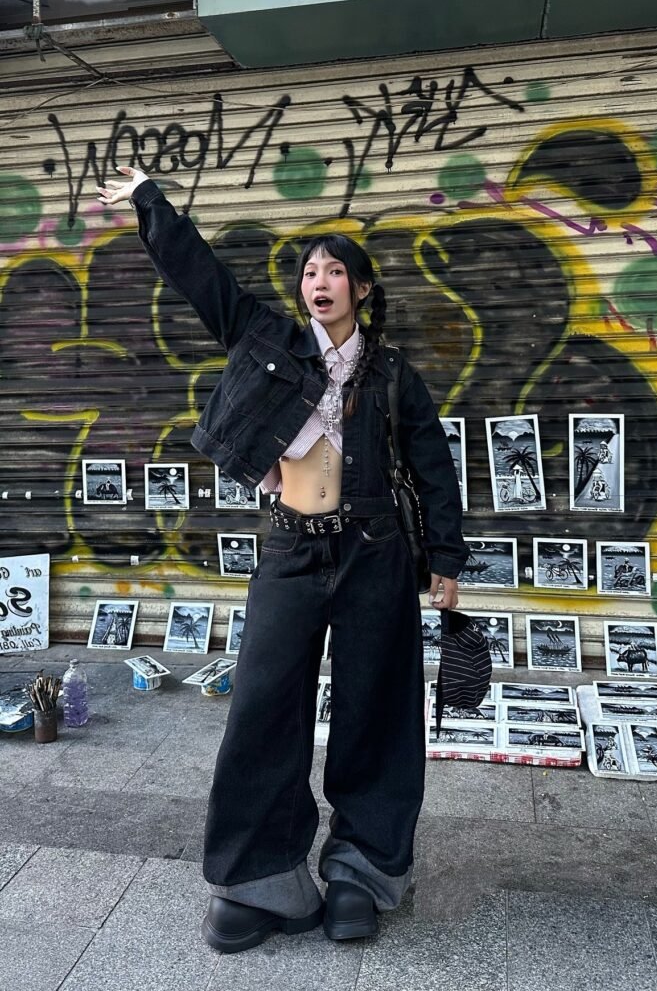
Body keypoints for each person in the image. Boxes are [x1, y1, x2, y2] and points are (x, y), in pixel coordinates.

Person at [96, 165, 467, 954]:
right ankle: (259, 877)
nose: (319, 280)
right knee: (262, 709)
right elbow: (205, 280)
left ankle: (363, 872)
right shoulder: (265, 341)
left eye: (335, 269)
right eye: (309, 270)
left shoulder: (395, 375)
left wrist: (446, 559)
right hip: (290, 551)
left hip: (374, 553)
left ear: (362, 289)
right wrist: (148, 204)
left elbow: (434, 467)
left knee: (375, 713)